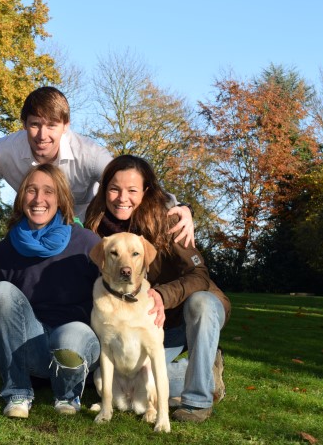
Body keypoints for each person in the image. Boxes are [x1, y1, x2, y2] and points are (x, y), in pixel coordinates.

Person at [0, 86, 196, 245]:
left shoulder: (89, 153)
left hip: (85, 226)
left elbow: (130, 183)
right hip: (34, 222)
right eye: (34, 125)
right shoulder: (5, 151)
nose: (42, 135)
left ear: (66, 126)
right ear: (24, 124)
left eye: (51, 126)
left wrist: (179, 206)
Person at [84, 155, 231, 423]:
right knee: (131, 377)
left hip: (183, 315)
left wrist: (162, 295)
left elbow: (199, 274)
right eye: (114, 189)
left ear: (146, 191)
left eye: (132, 190)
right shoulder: (94, 226)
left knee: (201, 302)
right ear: (104, 189)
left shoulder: (170, 222)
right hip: (139, 321)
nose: (122, 198)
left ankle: (197, 400)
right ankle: (204, 370)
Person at [0, 163, 101, 418]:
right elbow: (0, 317)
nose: (38, 199)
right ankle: (17, 393)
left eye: (48, 191)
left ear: (61, 198)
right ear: (21, 197)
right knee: (0, 292)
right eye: (31, 190)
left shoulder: (87, 243)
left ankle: (67, 396)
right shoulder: (5, 249)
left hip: (77, 342)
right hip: (31, 346)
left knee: (70, 336)